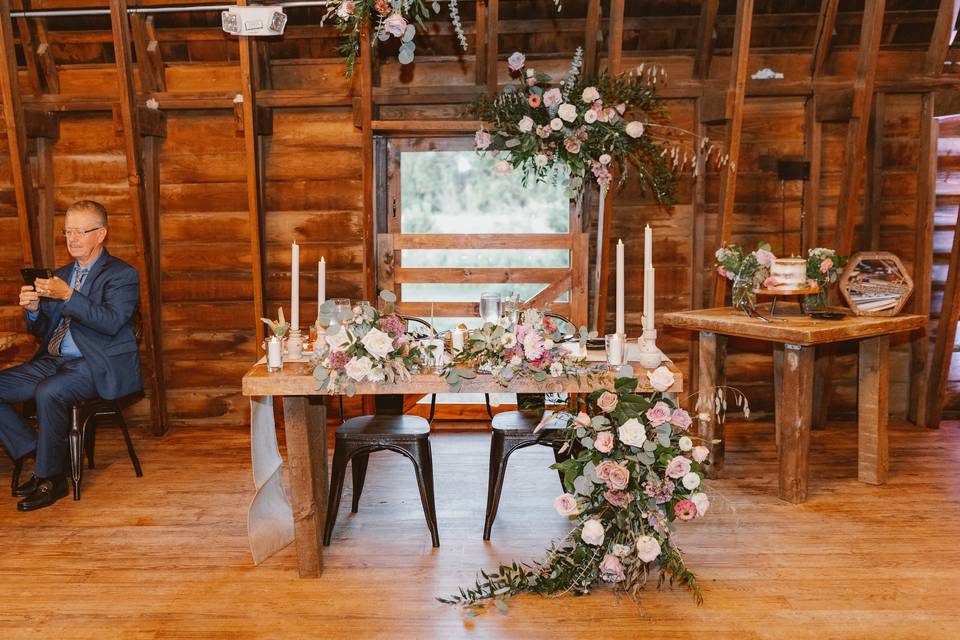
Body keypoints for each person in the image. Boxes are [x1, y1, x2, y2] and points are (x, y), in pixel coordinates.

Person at [0, 200, 142, 511]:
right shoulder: (61, 274)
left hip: (95, 364)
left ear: (101, 234)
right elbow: (42, 330)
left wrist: (69, 295)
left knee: (49, 392)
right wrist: (34, 310)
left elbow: (111, 322)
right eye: (67, 232)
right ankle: (42, 453)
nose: (72, 239)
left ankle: (53, 479)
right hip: (55, 361)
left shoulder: (121, 275)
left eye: (80, 231)